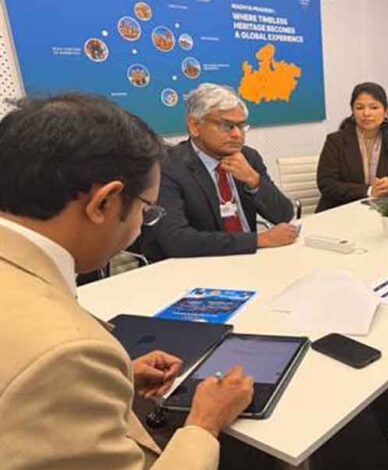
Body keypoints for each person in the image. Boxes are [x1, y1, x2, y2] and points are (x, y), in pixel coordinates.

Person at [0, 94, 254, 469]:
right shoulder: (64, 354)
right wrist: (204, 422)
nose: (140, 227)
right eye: (146, 211)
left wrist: (107, 379)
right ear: (103, 203)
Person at [142, 83, 296, 261]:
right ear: (195, 126)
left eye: (241, 126)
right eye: (227, 126)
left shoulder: (248, 157)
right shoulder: (167, 166)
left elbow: (284, 215)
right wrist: (258, 240)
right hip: (196, 265)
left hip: (249, 260)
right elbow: (176, 241)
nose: (237, 134)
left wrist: (254, 181)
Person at [316, 82, 388, 212]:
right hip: (341, 210)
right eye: (360, 107)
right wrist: (369, 190)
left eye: (374, 107)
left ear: (385, 112)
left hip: (383, 209)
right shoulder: (335, 141)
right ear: (353, 112)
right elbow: (327, 183)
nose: (366, 113)